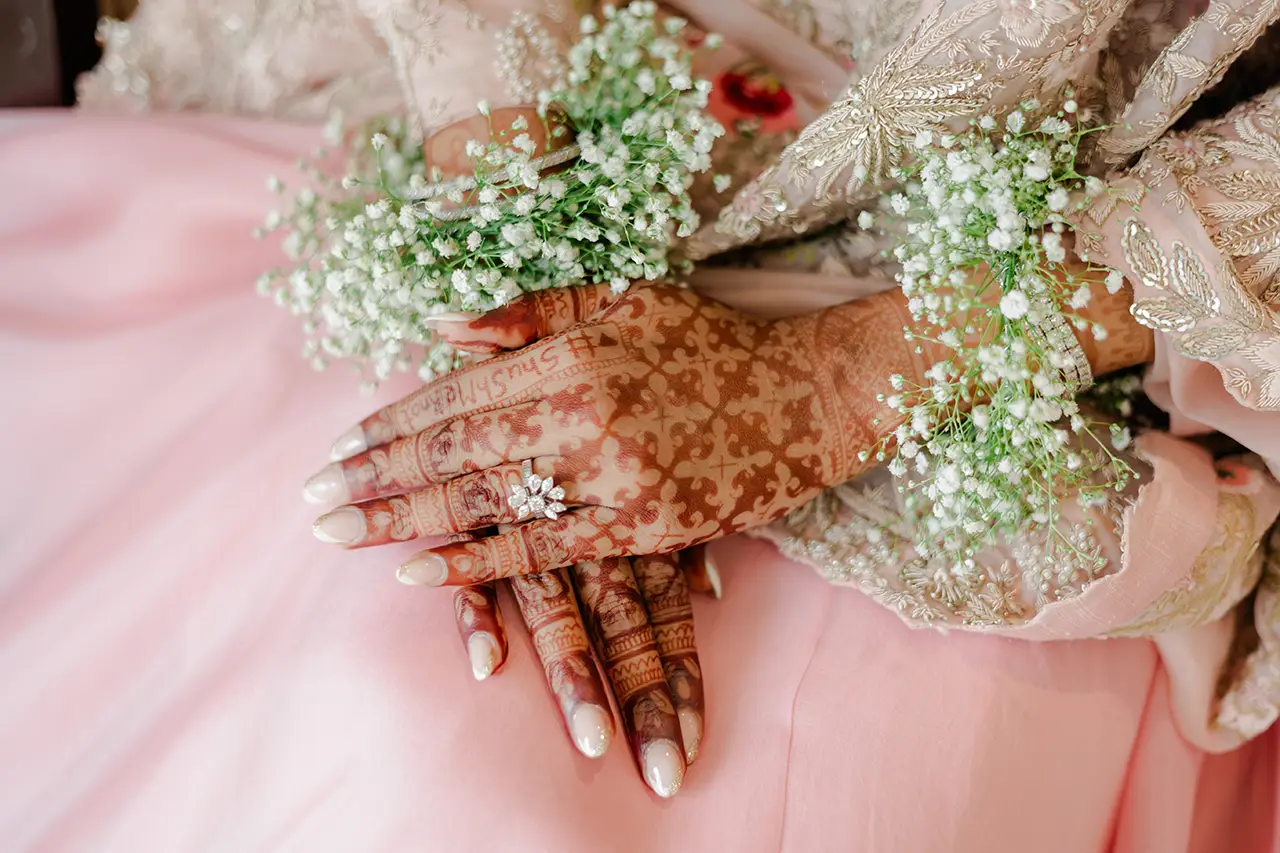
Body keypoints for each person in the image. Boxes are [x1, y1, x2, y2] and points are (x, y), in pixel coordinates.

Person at [3, 0, 1280, 850]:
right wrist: (533, 229)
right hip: (487, 105)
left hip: (1057, 283)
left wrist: (830, 387)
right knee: (355, 680)